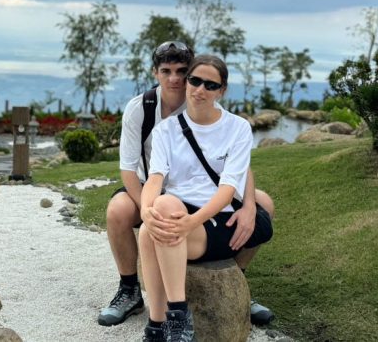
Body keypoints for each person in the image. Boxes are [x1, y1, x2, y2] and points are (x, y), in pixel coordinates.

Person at [97, 43, 275, 329]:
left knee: (263, 203)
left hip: (202, 190)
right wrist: (148, 208)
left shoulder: (207, 100)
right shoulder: (141, 110)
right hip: (153, 186)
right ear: (155, 73)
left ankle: (234, 281)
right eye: (166, 71)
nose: (175, 79)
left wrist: (250, 205)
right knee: (119, 209)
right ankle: (130, 290)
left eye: (182, 71)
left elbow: (236, 164)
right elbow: (129, 167)